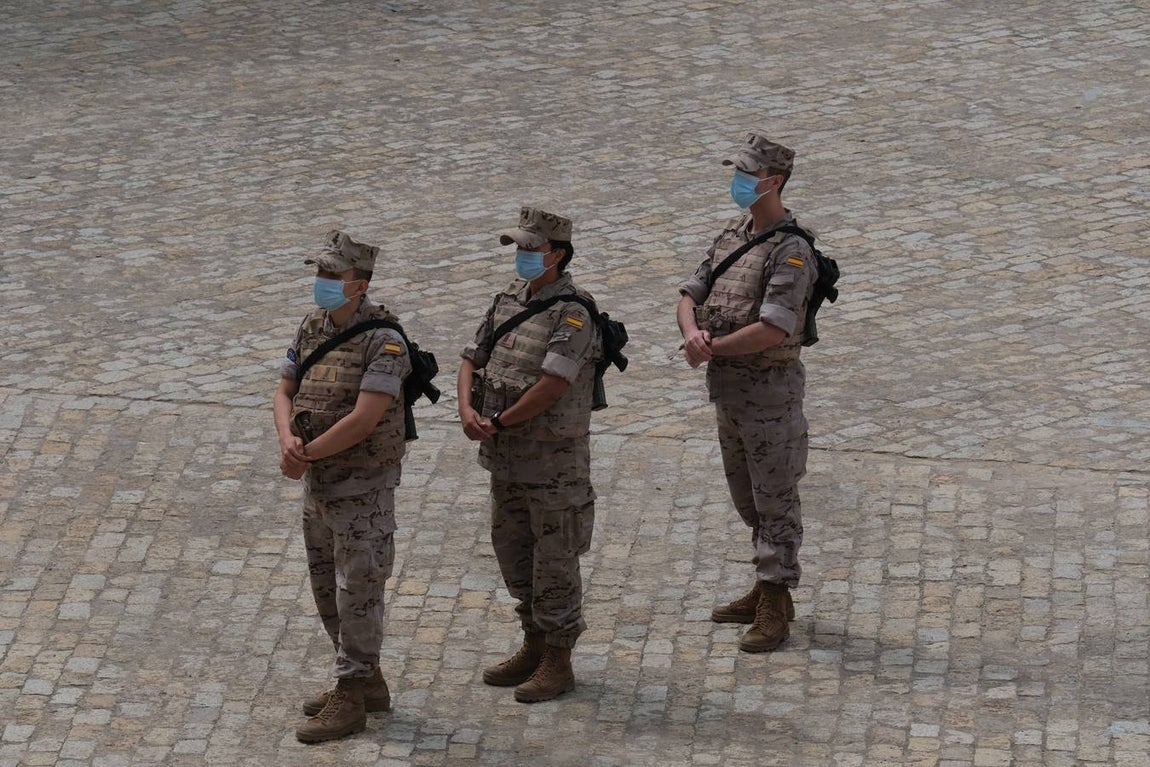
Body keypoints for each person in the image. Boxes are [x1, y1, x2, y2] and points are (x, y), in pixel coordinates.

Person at [676, 132, 817, 653]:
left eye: (747, 173)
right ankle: (763, 586)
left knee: (775, 498)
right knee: (746, 495)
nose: (737, 181)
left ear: (773, 181)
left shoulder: (791, 251)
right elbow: (689, 293)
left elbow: (774, 328)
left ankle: (776, 602)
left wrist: (712, 348)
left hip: (769, 396)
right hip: (730, 393)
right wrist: (692, 333)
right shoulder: (732, 235)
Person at [457, 207, 602, 702]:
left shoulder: (573, 313)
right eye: (517, 247)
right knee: (513, 552)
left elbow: (552, 384)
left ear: (556, 255)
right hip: (507, 459)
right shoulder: (507, 300)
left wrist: (497, 421)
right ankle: (533, 642)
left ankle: (558, 659)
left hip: (554, 464)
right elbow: (471, 357)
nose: (520, 256)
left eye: (529, 248)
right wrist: (466, 410)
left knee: (555, 560)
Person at [273, 230, 411, 741]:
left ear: (360, 284)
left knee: (359, 590)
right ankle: (365, 682)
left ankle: (351, 695)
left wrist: (304, 454)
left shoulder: (384, 341)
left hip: (362, 488)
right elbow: (284, 389)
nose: (322, 281)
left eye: (333, 274)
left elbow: (364, 418)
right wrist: (288, 439)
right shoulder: (313, 325)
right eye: (320, 272)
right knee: (326, 587)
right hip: (319, 484)